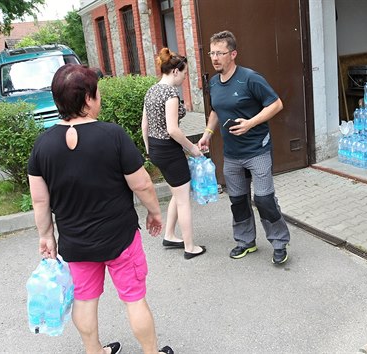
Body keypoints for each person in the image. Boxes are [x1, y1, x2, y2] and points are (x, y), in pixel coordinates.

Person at [27, 64, 174, 354]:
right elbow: (142, 184)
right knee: (134, 298)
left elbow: (40, 200)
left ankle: (94, 351)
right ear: (87, 100)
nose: (99, 98)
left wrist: (46, 235)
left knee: (84, 299)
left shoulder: (42, 145)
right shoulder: (112, 135)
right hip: (119, 238)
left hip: (75, 243)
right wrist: (155, 212)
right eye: (97, 94)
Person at [197, 30, 291, 265]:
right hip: (232, 154)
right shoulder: (214, 83)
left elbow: (276, 104)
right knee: (238, 201)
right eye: (212, 53)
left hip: (257, 150)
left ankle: (279, 243)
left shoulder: (250, 78)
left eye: (220, 53)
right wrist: (208, 133)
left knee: (264, 200)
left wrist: (251, 123)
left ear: (233, 54)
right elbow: (216, 109)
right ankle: (245, 242)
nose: (215, 57)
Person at [142, 48, 206, 260]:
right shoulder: (170, 94)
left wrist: (150, 149)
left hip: (157, 149)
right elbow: (173, 130)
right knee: (183, 199)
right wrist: (193, 148)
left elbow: (145, 124)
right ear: (176, 71)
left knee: (177, 194)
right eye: (185, 74)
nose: (185, 78)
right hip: (170, 150)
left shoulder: (151, 91)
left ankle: (169, 235)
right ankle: (190, 247)